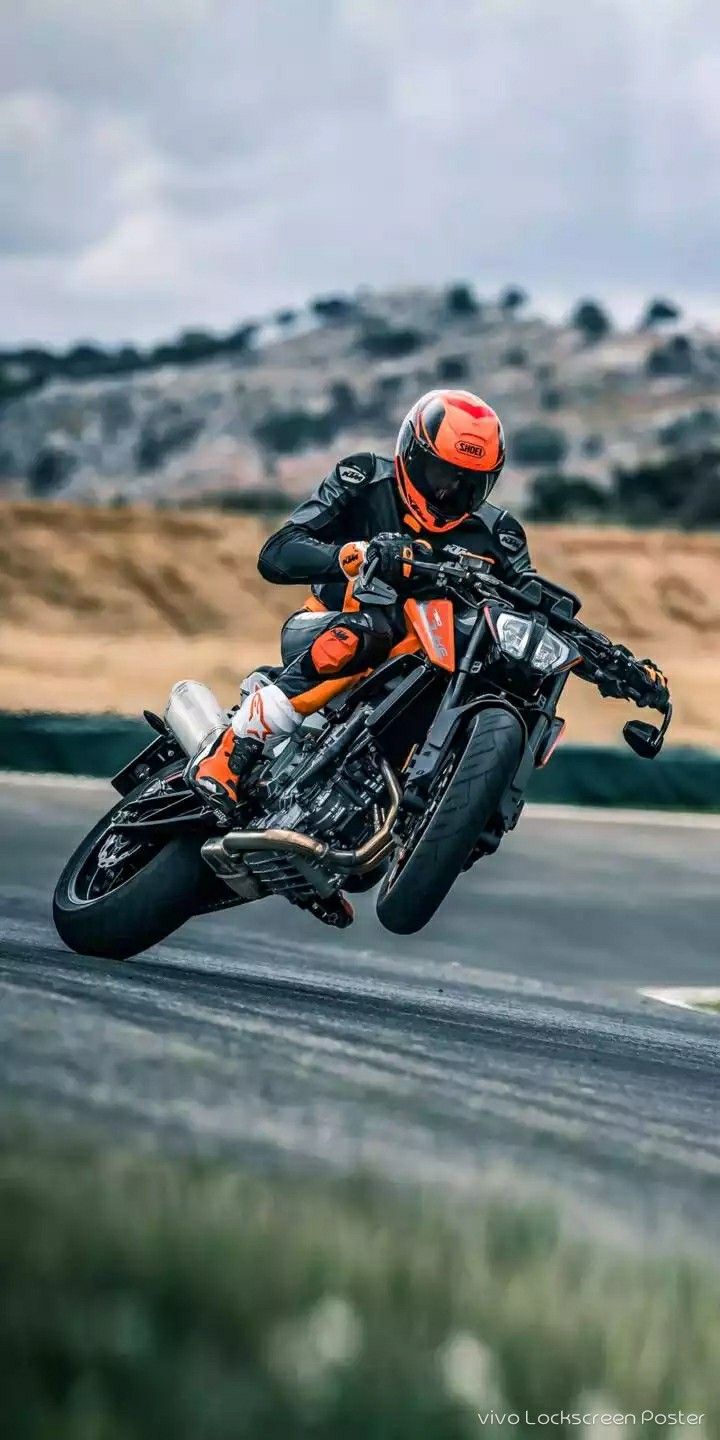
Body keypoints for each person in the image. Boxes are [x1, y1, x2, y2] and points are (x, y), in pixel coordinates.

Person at [188, 388, 668, 815]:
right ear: (412, 453)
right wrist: (354, 555)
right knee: (372, 632)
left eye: (468, 484)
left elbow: (534, 608)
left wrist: (619, 667)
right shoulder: (362, 478)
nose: (448, 492)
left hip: (437, 651)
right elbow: (277, 554)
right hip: (333, 624)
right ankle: (235, 747)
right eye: (442, 473)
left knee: (507, 675)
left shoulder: (498, 534)